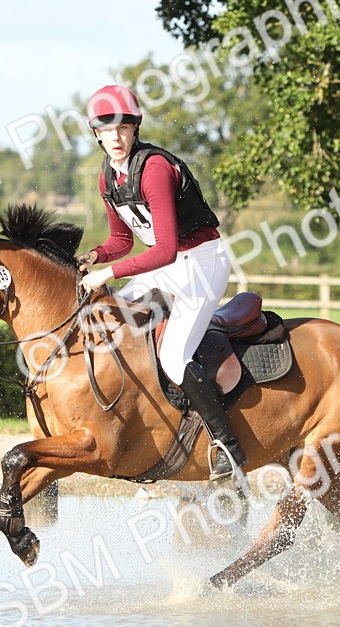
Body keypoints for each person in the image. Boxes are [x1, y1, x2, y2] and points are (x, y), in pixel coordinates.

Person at [77, 84, 247, 480]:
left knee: (173, 356)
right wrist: (93, 258)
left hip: (202, 263)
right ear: (96, 133)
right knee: (115, 321)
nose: (116, 137)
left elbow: (166, 248)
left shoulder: (153, 168)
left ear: (135, 129)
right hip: (168, 264)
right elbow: (121, 240)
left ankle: (228, 446)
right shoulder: (108, 177)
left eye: (123, 128)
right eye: (107, 129)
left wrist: (109, 273)